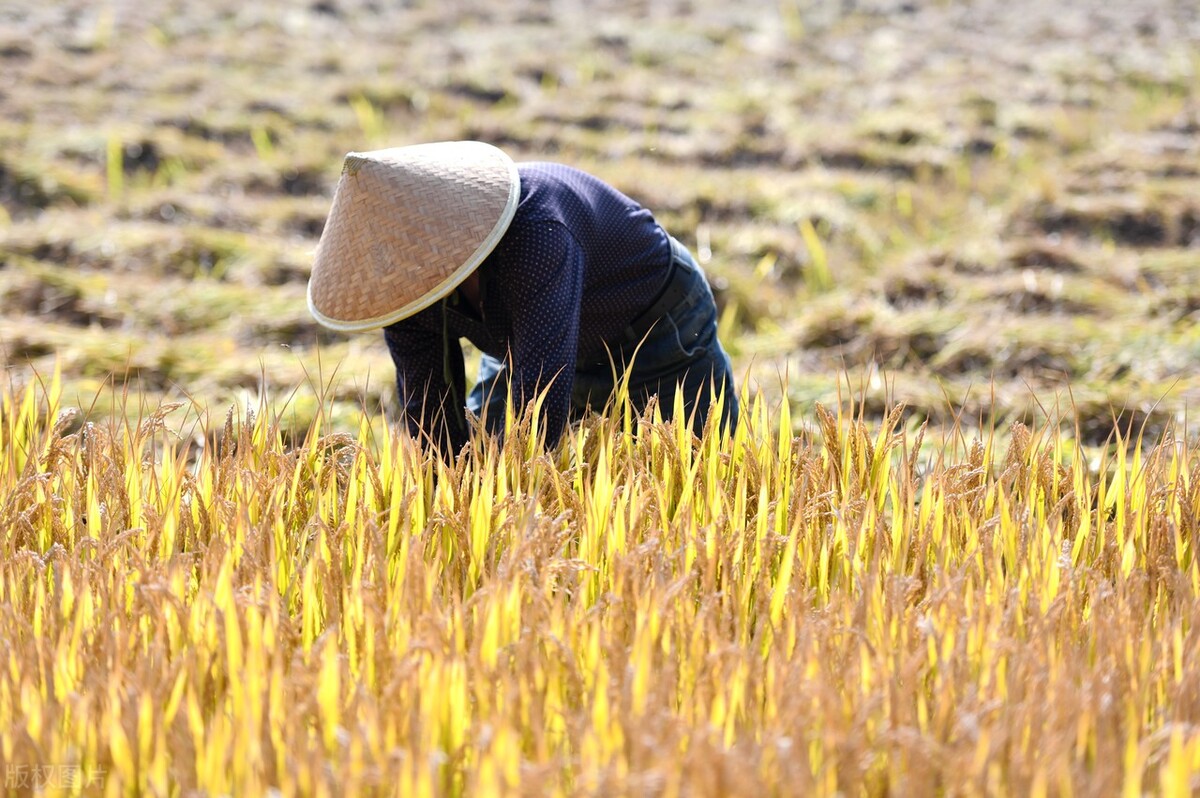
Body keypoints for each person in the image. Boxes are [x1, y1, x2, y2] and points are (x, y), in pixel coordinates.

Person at [307, 141, 738, 453]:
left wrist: (516, 490)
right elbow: (430, 406)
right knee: (483, 453)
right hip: (525, 338)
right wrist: (455, 500)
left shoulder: (536, 239)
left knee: (698, 470)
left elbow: (540, 408)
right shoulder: (402, 286)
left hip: (650, 325)